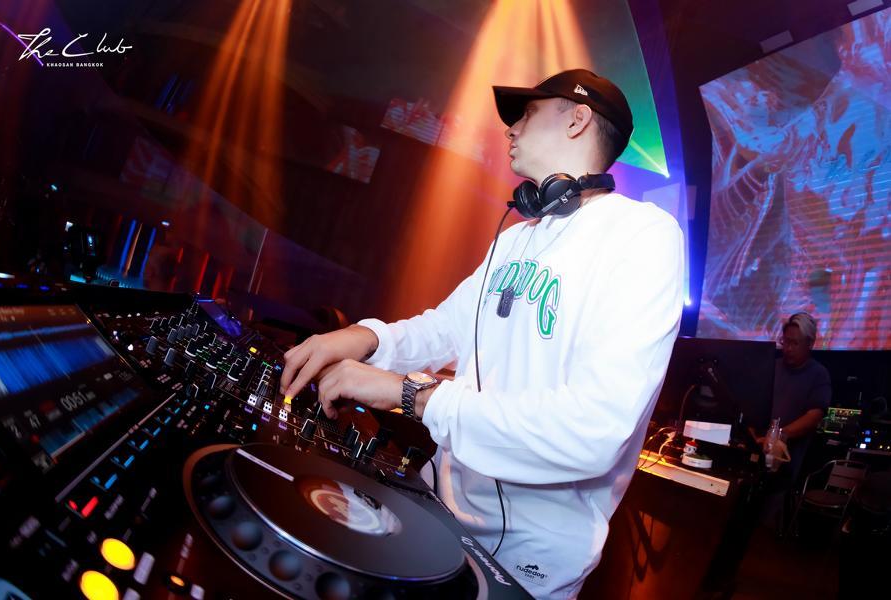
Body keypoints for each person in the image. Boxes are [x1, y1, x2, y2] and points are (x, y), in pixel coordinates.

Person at [280, 69, 685, 599]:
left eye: (528, 113)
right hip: (439, 505)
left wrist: (407, 394)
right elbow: (446, 328)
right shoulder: (516, 238)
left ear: (578, 120)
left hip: (531, 554)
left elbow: (594, 430)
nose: (511, 128)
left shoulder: (642, 236)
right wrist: (365, 338)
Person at [758, 312, 832, 529]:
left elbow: (814, 415)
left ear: (810, 343)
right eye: (785, 342)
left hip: (787, 464)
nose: (788, 348)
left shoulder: (818, 374)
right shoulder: (772, 367)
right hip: (757, 452)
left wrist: (780, 436)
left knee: (767, 523)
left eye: (794, 343)